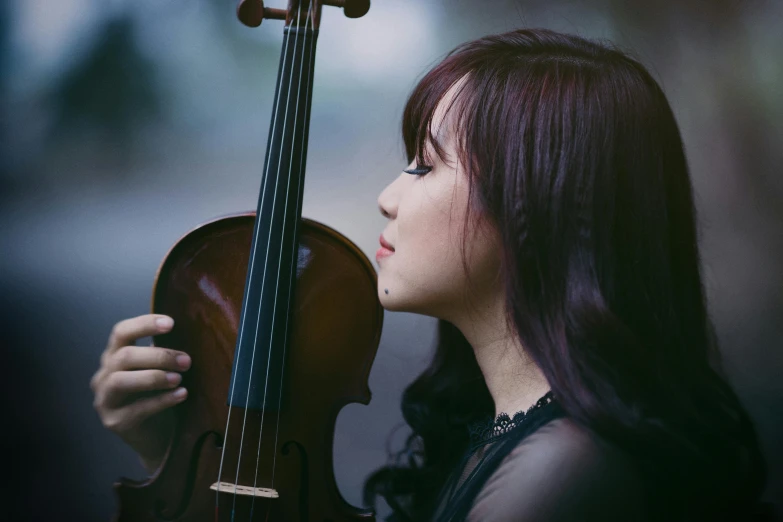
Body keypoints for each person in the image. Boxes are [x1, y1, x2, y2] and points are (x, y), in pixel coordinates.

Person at [91, 27, 778, 522]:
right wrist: (184, 453)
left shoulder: (561, 471)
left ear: (532, 204)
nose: (389, 196)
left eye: (424, 165)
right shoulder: (516, 433)